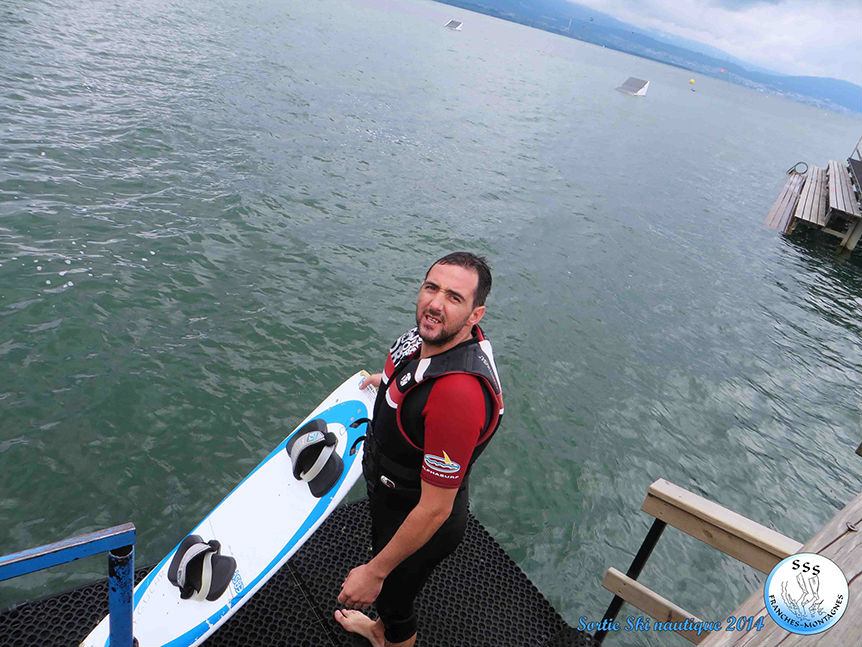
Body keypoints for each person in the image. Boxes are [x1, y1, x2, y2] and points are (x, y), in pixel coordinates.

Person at [335, 252, 504, 647]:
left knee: (395, 605)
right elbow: (417, 373)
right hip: (393, 499)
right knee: (390, 600)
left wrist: (374, 572)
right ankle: (378, 630)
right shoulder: (431, 338)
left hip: (419, 519)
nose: (435, 304)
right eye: (431, 288)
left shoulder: (456, 397)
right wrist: (388, 382)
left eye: (454, 297)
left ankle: (389, 636)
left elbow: (434, 509)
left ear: (476, 315)